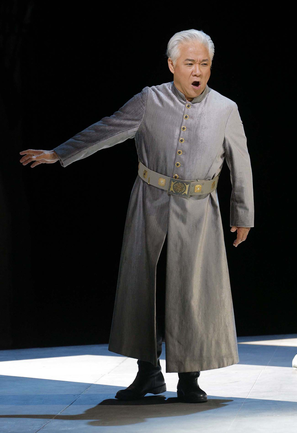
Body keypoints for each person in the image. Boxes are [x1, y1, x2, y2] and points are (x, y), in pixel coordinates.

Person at [20, 29, 254, 403]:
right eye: (190, 63)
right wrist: (59, 153)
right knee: (146, 287)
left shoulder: (226, 109)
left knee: (192, 292)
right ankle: (148, 374)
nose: (198, 71)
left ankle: (189, 377)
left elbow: (240, 164)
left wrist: (243, 214)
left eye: (204, 64)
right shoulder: (150, 100)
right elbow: (107, 129)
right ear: (172, 65)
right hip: (150, 203)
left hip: (199, 212)